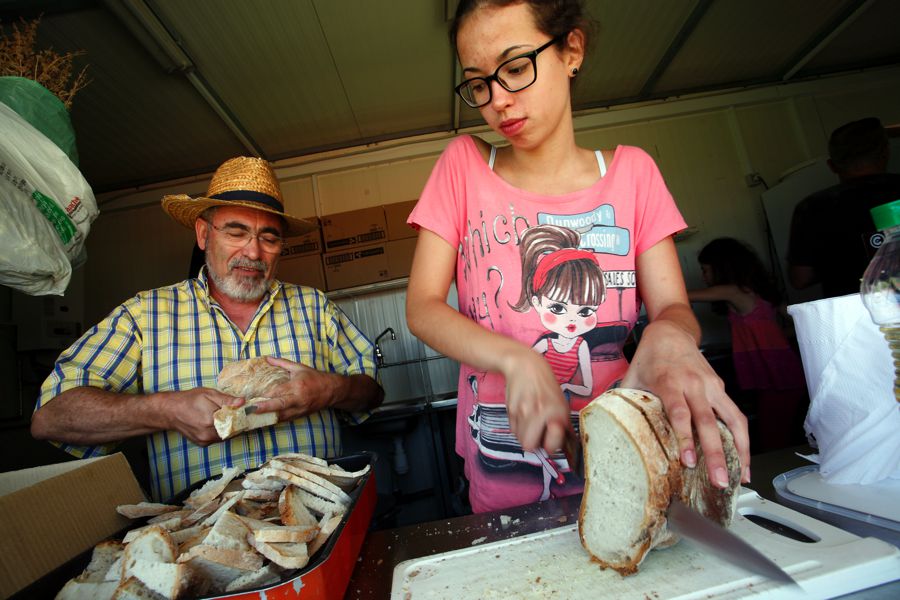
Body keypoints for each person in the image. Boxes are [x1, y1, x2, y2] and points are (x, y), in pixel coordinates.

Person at [405, 0, 750, 513]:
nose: (497, 100)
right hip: (506, 476)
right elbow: (423, 306)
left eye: (516, 67)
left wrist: (671, 338)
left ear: (572, 50)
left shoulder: (634, 174)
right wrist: (516, 358)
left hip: (627, 463)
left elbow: (673, 309)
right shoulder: (463, 167)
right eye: (479, 83)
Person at [31, 157, 384, 501]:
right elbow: (51, 416)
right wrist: (164, 409)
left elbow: (372, 394)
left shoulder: (315, 308)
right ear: (203, 234)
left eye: (269, 238)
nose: (253, 252)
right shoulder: (144, 316)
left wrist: (331, 389)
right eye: (236, 231)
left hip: (320, 524)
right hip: (202, 543)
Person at [688, 238, 808, 452]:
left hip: (775, 375)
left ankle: (774, 473)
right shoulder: (758, 292)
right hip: (780, 370)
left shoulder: (734, 291)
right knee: (781, 430)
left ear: (722, 268)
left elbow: (682, 296)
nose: (704, 276)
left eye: (705, 270)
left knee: (772, 436)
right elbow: (794, 325)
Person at [788, 117, 900, 298]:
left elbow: (800, 278)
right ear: (886, 152)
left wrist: (839, 261)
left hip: (851, 313)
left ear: (832, 166)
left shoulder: (812, 208)